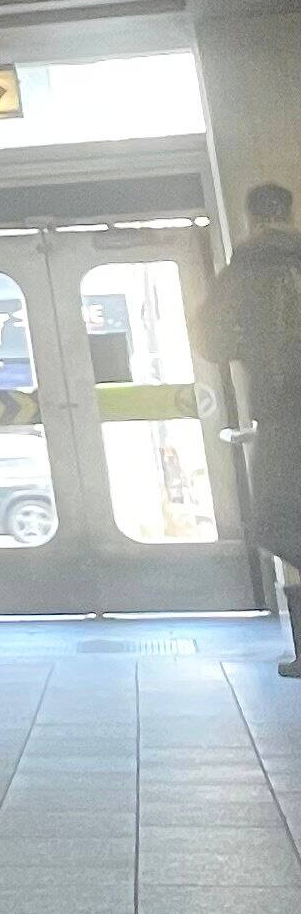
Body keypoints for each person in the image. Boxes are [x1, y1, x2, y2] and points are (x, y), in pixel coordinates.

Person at [195, 184, 301, 614]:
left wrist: (254, 344)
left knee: (274, 520)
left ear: (252, 217)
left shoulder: (246, 267)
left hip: (281, 408)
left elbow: (212, 337)